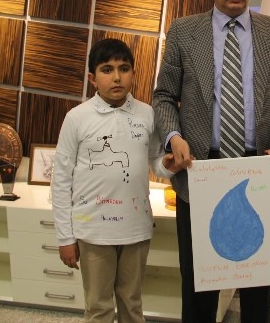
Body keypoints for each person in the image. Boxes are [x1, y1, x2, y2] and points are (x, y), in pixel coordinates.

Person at [152, 0, 270, 323]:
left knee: (256, 288)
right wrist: (173, 137)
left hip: (258, 173)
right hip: (200, 173)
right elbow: (164, 96)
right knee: (199, 290)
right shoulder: (184, 31)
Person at [52, 38, 184, 323]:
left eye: (124, 69)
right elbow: (60, 180)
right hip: (93, 231)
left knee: (132, 305)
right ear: (92, 78)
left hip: (136, 229)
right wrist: (65, 237)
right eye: (107, 69)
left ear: (133, 73)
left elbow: (155, 161)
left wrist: (167, 165)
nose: (116, 77)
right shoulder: (76, 118)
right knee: (98, 308)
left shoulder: (147, 113)